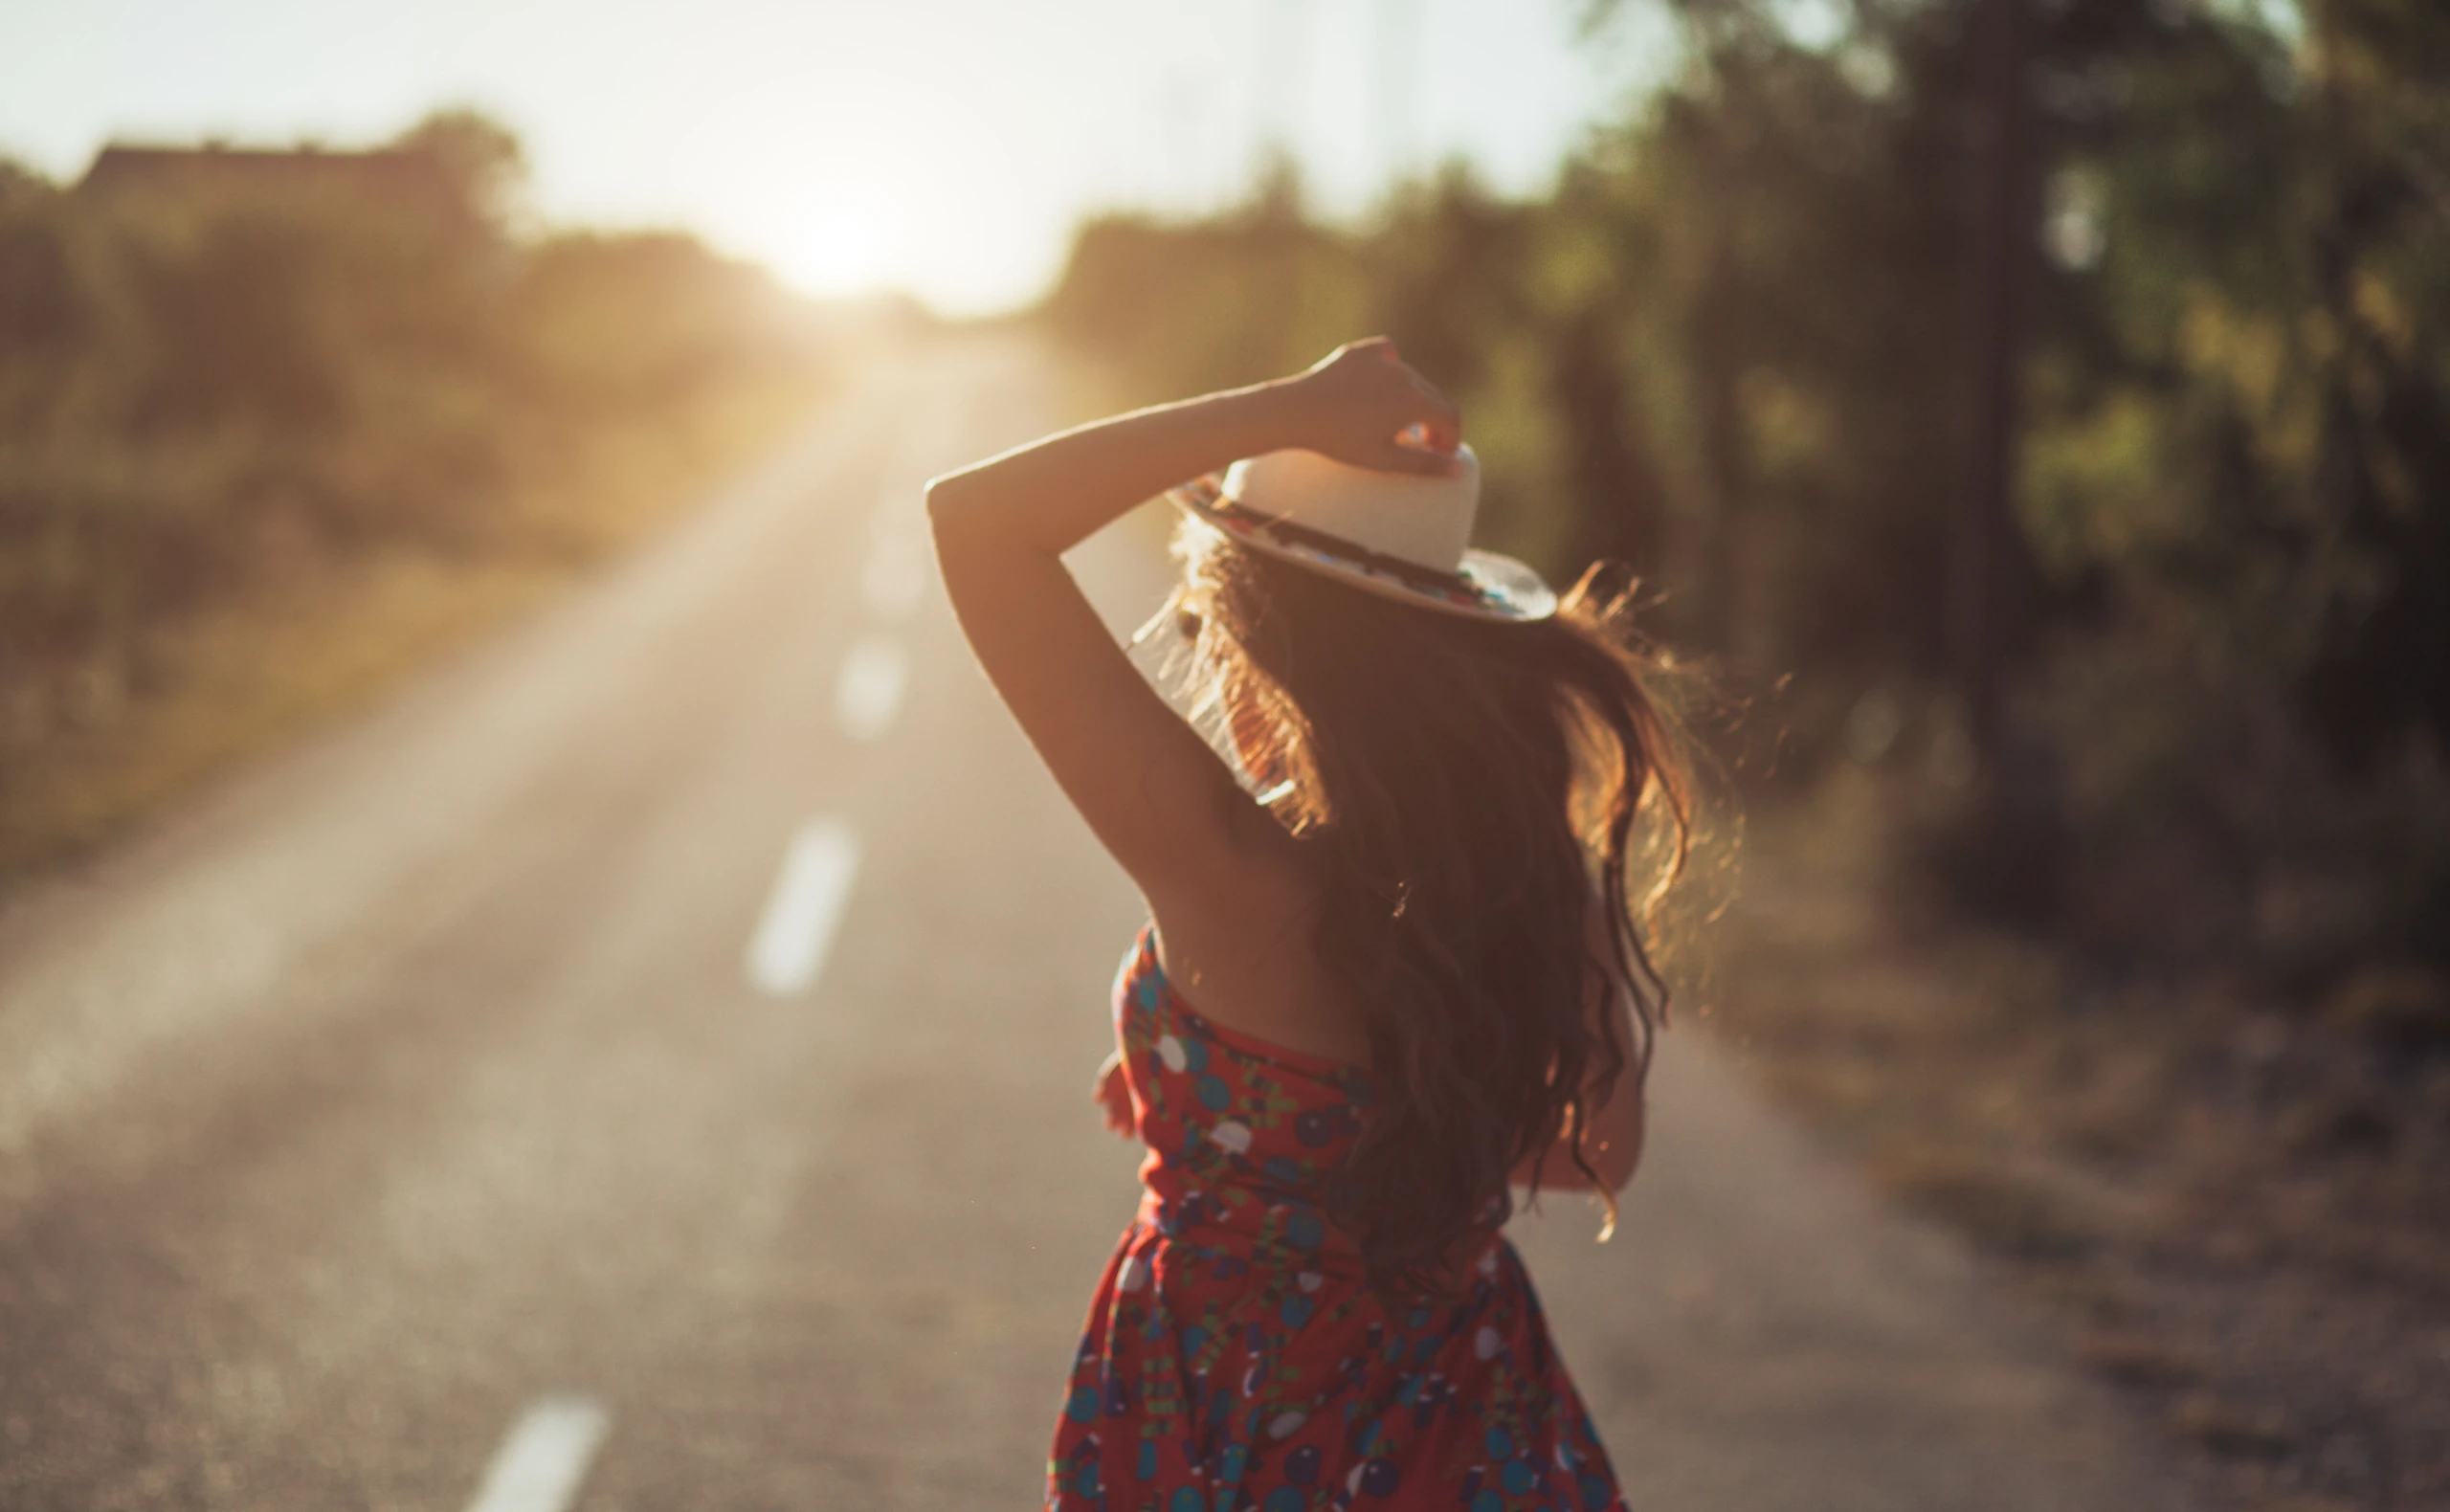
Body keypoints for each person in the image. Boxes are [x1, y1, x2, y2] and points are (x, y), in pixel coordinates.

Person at [927, 338, 1685, 1512]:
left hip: (1228, 1417)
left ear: (1252, 644)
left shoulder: (1228, 870)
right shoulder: (1534, 876)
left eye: (1202, 623)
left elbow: (975, 519)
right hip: (1473, 1431)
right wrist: (1336, 1138)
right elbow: (1603, 1150)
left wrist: (1294, 407)